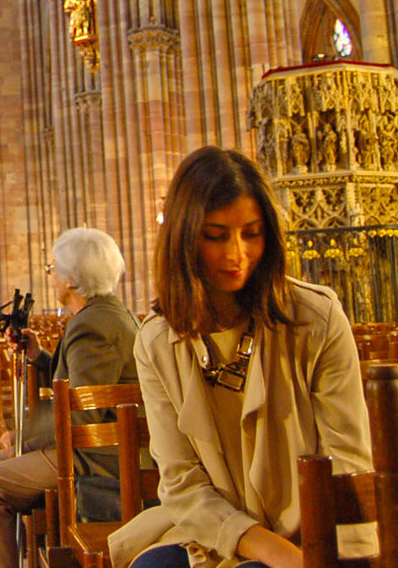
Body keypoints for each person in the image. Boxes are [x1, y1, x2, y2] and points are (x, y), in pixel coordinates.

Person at [108, 147, 375, 568]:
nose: (236, 254)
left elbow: (348, 457)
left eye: (251, 233)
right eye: (216, 236)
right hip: (214, 530)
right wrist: (262, 545)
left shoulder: (315, 318)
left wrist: (322, 555)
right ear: (183, 237)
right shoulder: (157, 340)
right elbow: (181, 480)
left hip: (315, 529)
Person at [0, 227, 140, 568]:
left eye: (54, 269)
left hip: (99, 459)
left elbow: (83, 415)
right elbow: (81, 386)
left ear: (71, 279)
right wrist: (39, 357)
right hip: (99, 448)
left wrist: (24, 437)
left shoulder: (92, 326)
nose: (53, 277)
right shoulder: (106, 315)